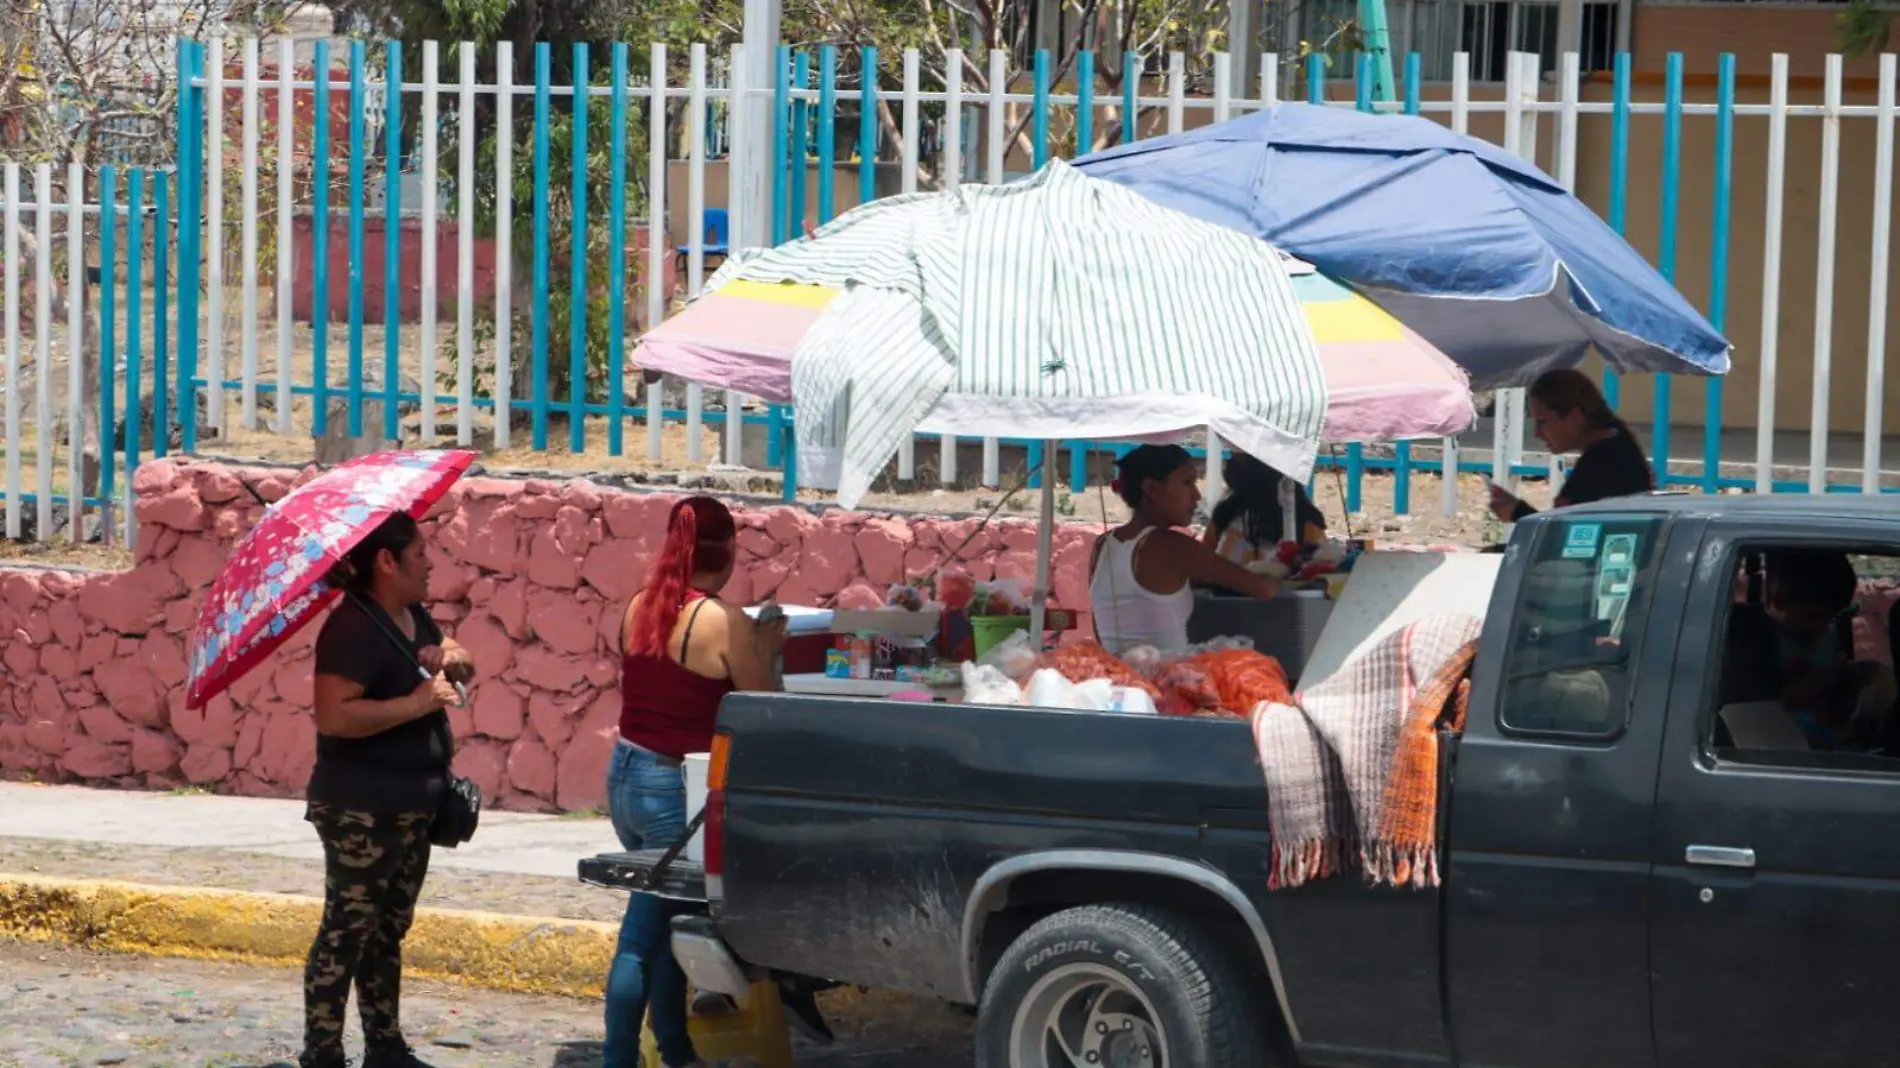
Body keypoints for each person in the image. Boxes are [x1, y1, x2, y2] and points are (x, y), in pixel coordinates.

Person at [605, 496, 787, 1068]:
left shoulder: (637, 606)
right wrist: (768, 649)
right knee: (640, 937)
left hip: (625, 775)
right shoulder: (724, 621)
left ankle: (678, 1052)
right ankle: (617, 1059)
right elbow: (763, 708)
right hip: (669, 789)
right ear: (728, 550)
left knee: (661, 924)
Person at [303, 512, 474, 1068]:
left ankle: (385, 1047)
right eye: (420, 554)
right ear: (387, 561)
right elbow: (333, 716)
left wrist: (450, 658)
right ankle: (323, 1053)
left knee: (387, 932)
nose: (429, 564)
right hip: (361, 808)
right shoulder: (352, 628)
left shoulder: (408, 615)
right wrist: (415, 705)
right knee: (346, 933)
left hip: (413, 805)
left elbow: (458, 654)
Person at [1090, 445, 1281, 654]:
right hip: (1166, 680)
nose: (1197, 495)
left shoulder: (1102, 544)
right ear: (1152, 488)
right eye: (1187, 483)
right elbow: (1264, 589)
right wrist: (1283, 571)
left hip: (1115, 676)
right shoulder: (1172, 545)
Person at [1488, 369, 1654, 523]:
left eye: (1543, 422)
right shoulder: (1615, 449)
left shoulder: (1604, 464)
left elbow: (1565, 536)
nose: (1537, 433)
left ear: (1575, 416)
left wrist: (1517, 513)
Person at [1203, 453, 1327, 566]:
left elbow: (1203, 566)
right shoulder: (1307, 521)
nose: (1227, 463)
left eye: (1237, 459)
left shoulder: (1226, 515)